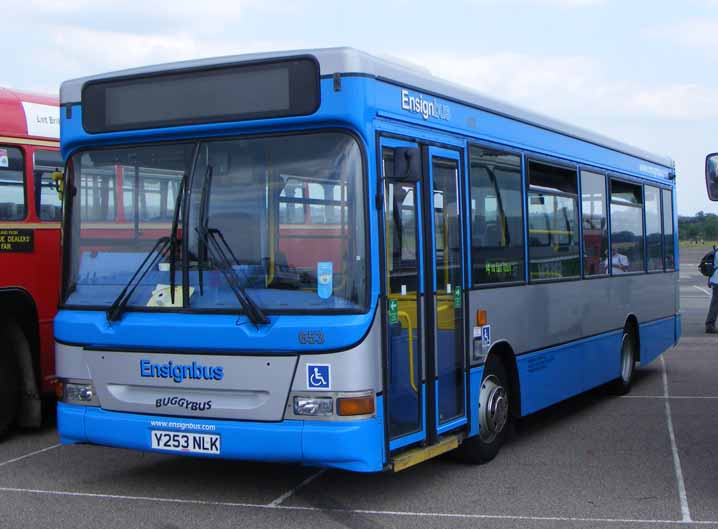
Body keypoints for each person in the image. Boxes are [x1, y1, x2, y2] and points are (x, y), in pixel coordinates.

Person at [706, 247, 718, 334]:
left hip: (715, 279)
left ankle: (710, 324)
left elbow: (712, 267)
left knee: (715, 302)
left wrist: (709, 280)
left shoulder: (715, 251)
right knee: (715, 303)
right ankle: (710, 325)